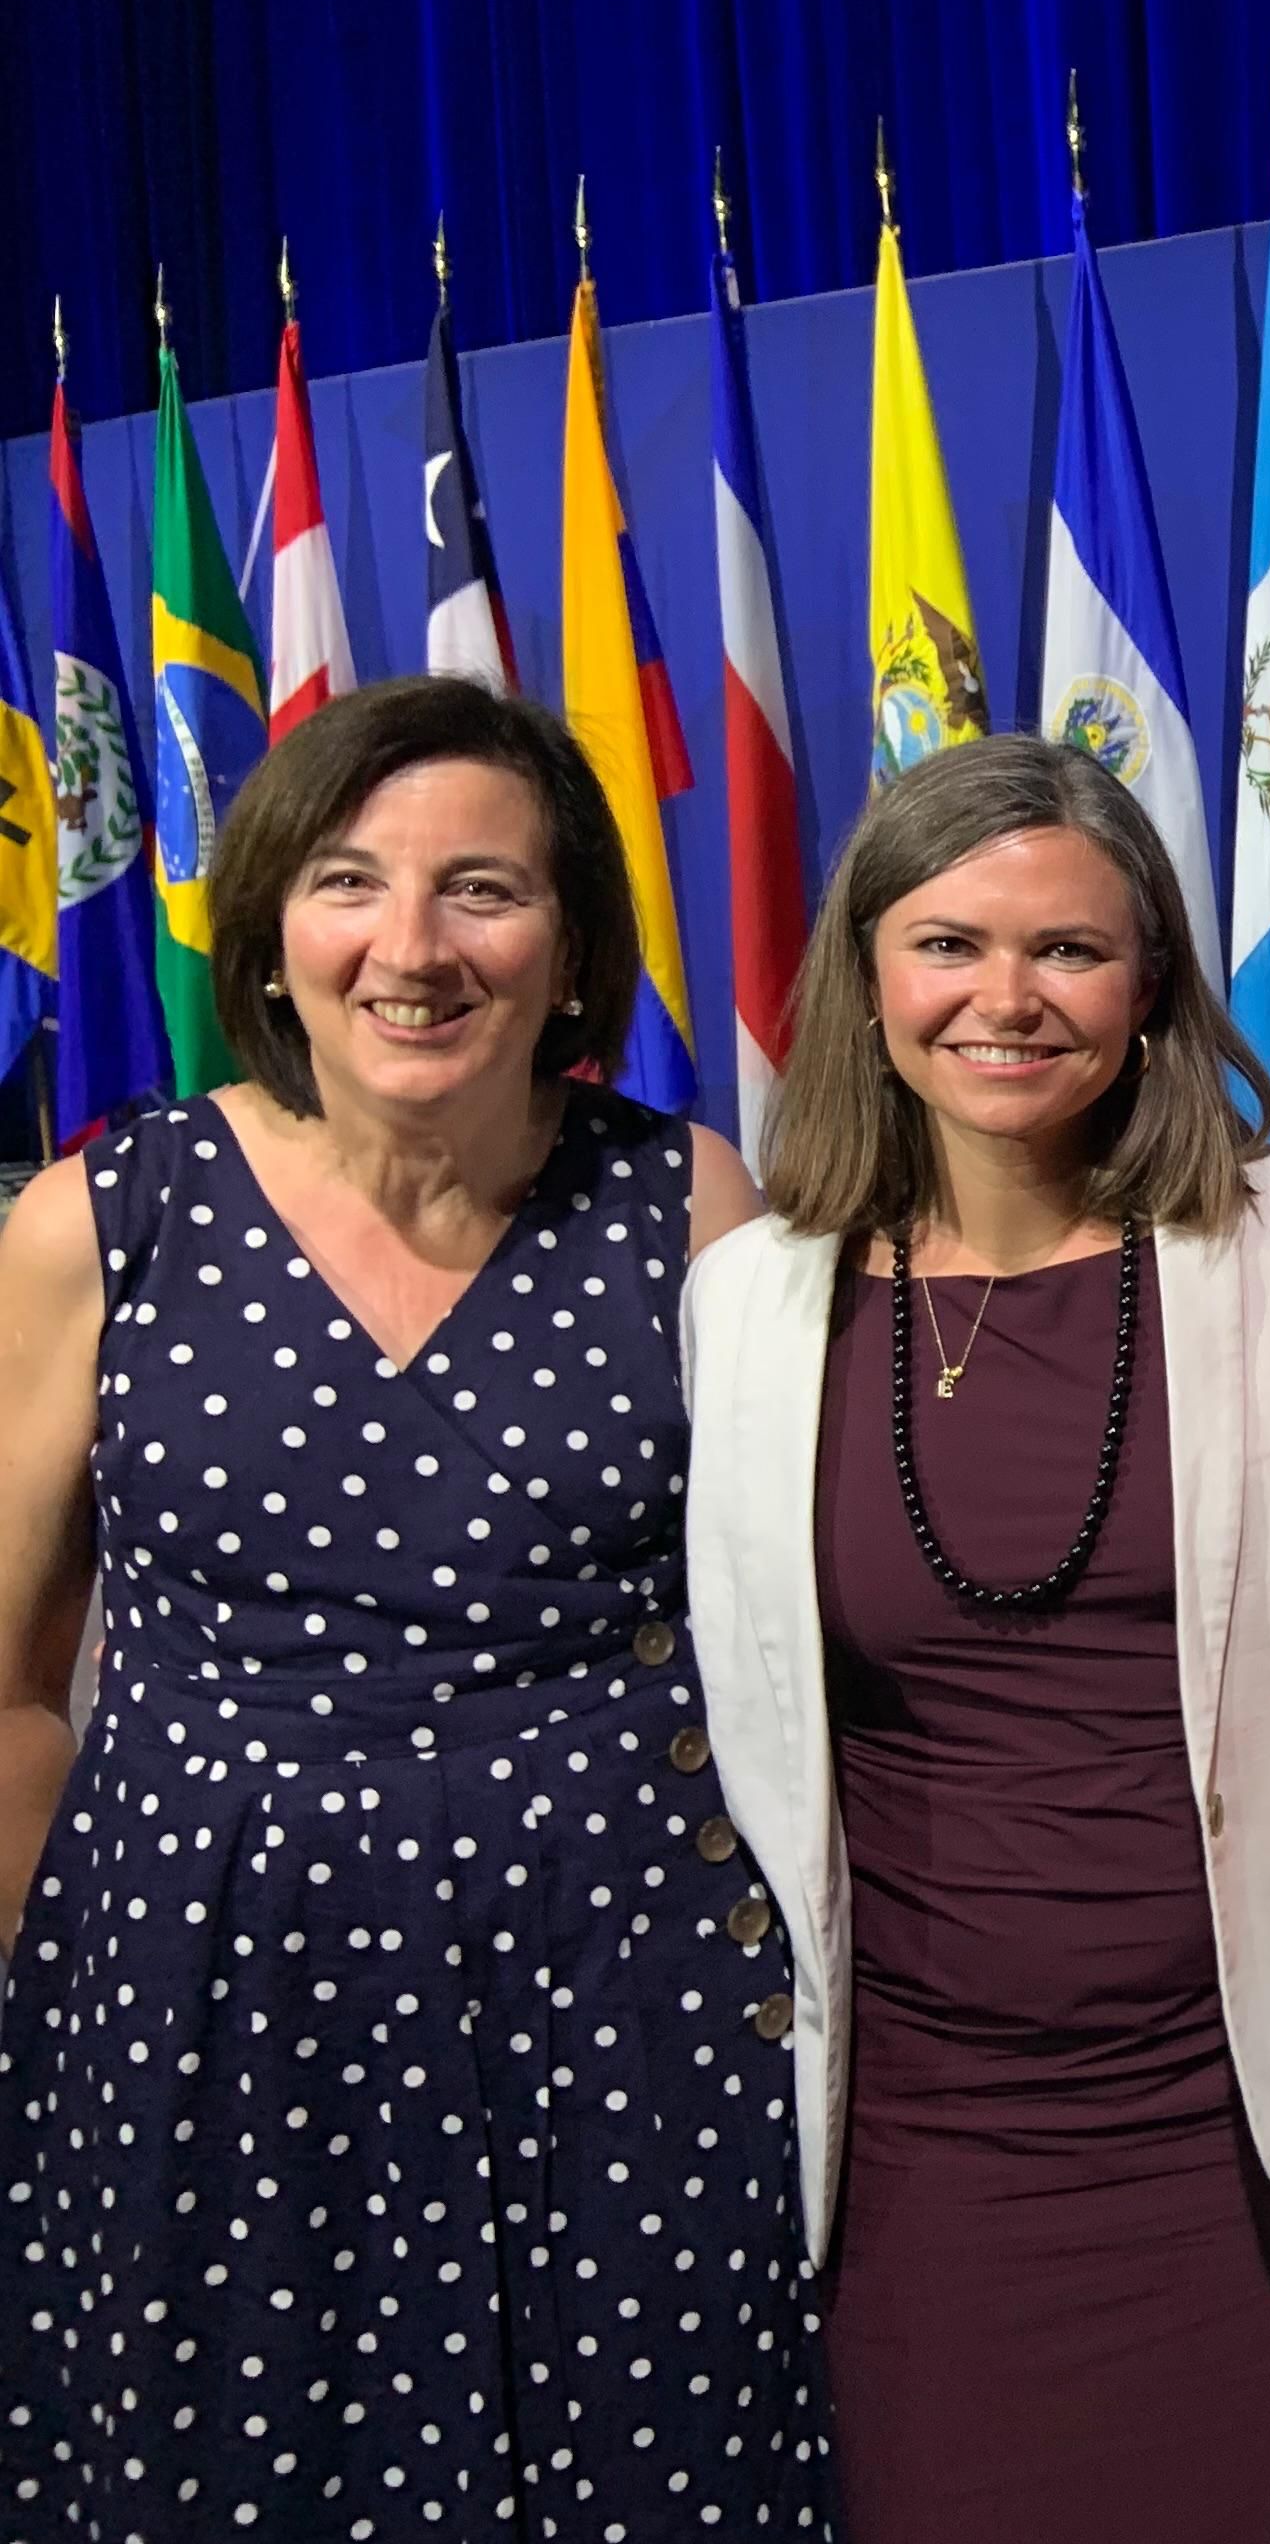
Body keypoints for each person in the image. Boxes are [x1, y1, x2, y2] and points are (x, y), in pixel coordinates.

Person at [0, 676, 830, 2531]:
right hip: (204, 2001)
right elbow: (4, 1684)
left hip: (618, 1996)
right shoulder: (105, 1219)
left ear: (570, 948)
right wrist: (53, 2014)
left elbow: (787, 1638)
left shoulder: (683, 1205)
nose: (413, 946)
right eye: (352, 882)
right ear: (275, 931)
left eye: (485, 890)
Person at [679, 733, 1270, 2544]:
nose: (1008, 998)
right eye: (950, 945)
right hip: (924, 2149)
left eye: (1069, 950)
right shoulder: (749, 1305)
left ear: (1151, 978)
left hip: (1266, 2138)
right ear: (864, 973)